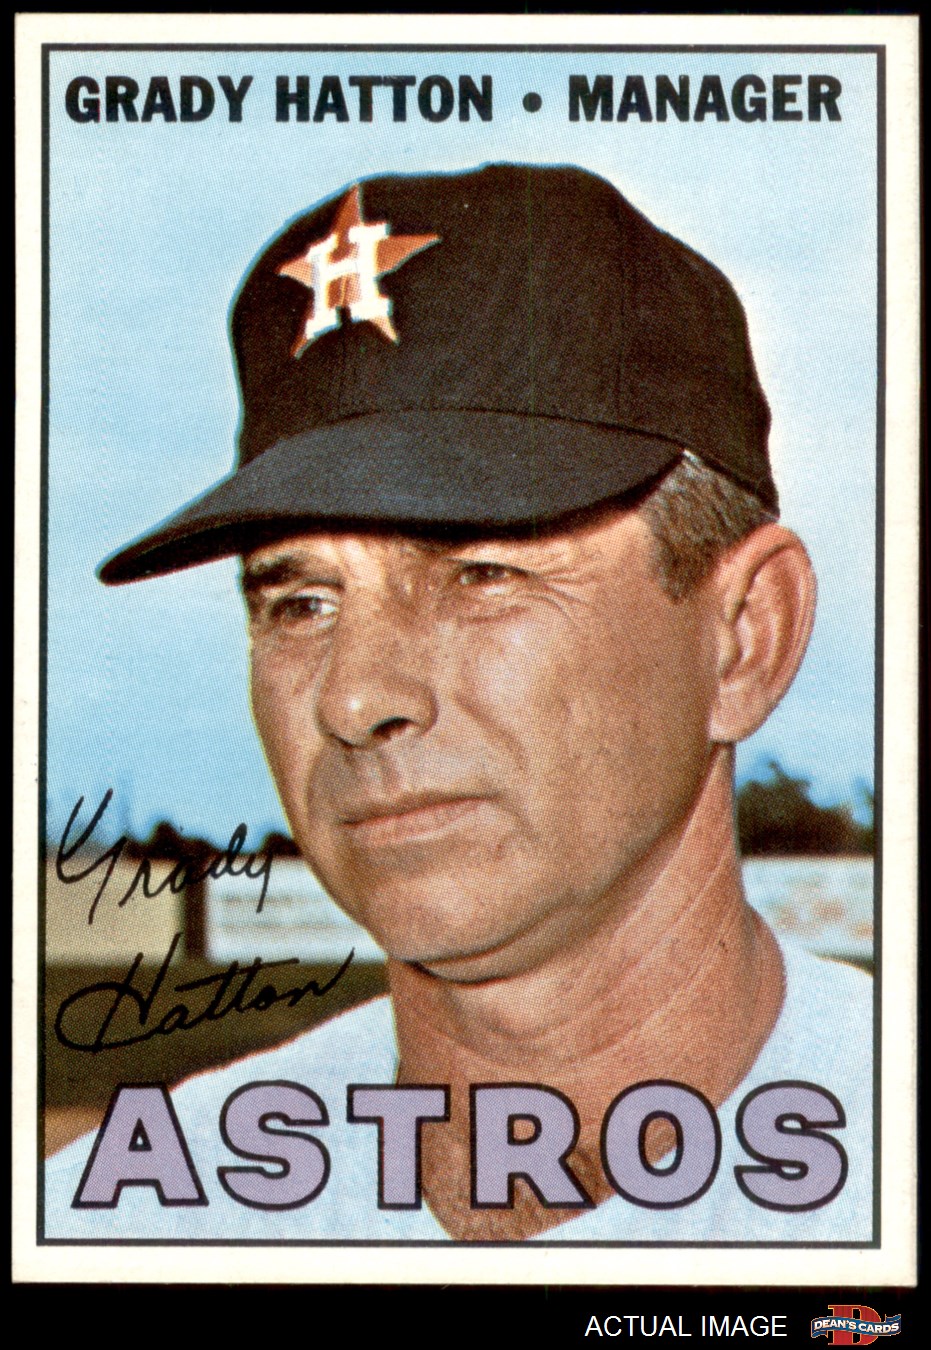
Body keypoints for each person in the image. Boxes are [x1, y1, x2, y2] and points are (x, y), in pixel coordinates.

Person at [45, 163, 872, 1242]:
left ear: (743, 637)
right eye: (300, 602)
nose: (354, 698)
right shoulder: (126, 1224)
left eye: (483, 573)